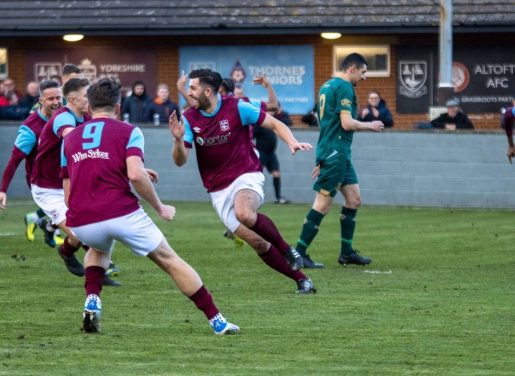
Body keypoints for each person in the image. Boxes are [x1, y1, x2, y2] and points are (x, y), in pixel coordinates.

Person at [62, 77, 239, 335]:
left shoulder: (70, 138)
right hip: (120, 213)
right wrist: (160, 207)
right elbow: (134, 175)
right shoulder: (129, 131)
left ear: (89, 106)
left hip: (82, 219)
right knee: (170, 260)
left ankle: (92, 298)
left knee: (97, 251)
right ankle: (217, 321)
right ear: (119, 106)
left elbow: (71, 186)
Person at [169, 68, 317, 294]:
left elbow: (275, 123)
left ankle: (288, 249)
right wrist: (178, 141)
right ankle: (301, 279)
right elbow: (180, 161)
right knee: (258, 243)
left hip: (246, 174)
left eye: (192, 88)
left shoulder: (237, 107)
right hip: (218, 190)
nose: (188, 93)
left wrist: (292, 141)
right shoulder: (189, 118)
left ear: (207, 92)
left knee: (245, 213)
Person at [294, 53, 384, 269]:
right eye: (363, 72)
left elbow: (328, 123)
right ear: (352, 68)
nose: (364, 78)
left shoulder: (326, 86)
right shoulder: (344, 87)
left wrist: (323, 156)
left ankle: (346, 253)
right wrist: (369, 125)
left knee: (354, 199)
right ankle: (298, 253)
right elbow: (345, 123)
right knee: (322, 205)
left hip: (336, 152)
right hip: (335, 153)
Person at [30, 78, 92, 277]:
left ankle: (64, 248)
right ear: (73, 99)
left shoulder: (88, 117)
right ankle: (98, 275)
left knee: (87, 233)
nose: (90, 99)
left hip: (71, 184)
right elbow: (70, 136)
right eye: (86, 95)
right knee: (80, 234)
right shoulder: (62, 117)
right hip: (47, 189)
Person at [0, 80, 63, 248]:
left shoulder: (65, 118)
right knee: (76, 221)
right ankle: (104, 264)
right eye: (51, 99)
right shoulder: (30, 128)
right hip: (42, 183)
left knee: (80, 211)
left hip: (63, 177)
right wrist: (3, 190)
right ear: (41, 100)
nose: (55, 102)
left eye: (58, 98)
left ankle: (44, 224)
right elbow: (14, 160)